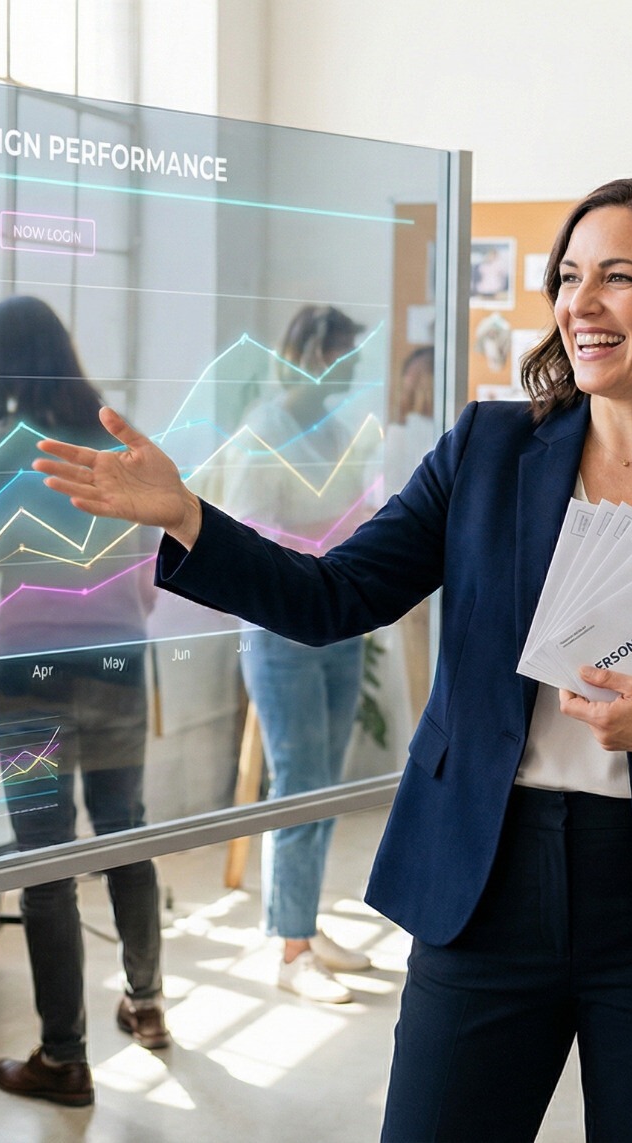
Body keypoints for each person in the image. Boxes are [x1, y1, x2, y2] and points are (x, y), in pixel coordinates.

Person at [33, 176, 632, 1140]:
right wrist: (188, 518)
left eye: (618, 278)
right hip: (486, 882)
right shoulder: (489, 450)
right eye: (568, 277)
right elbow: (333, 594)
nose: (580, 304)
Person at [0, 297, 170, 1108]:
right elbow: (152, 564)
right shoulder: (119, 436)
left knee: (46, 859)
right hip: (121, 661)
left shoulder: (0, 446)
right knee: (127, 833)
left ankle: (63, 1058)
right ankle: (148, 1006)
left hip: (30, 673)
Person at [229, 305, 382, 1006]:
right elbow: (248, 541)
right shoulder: (262, 432)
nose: (350, 372)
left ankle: (305, 922)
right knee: (298, 783)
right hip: (283, 630)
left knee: (326, 784)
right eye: (342, 360)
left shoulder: (339, 430)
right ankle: (290, 949)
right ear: (308, 356)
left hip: (340, 623)